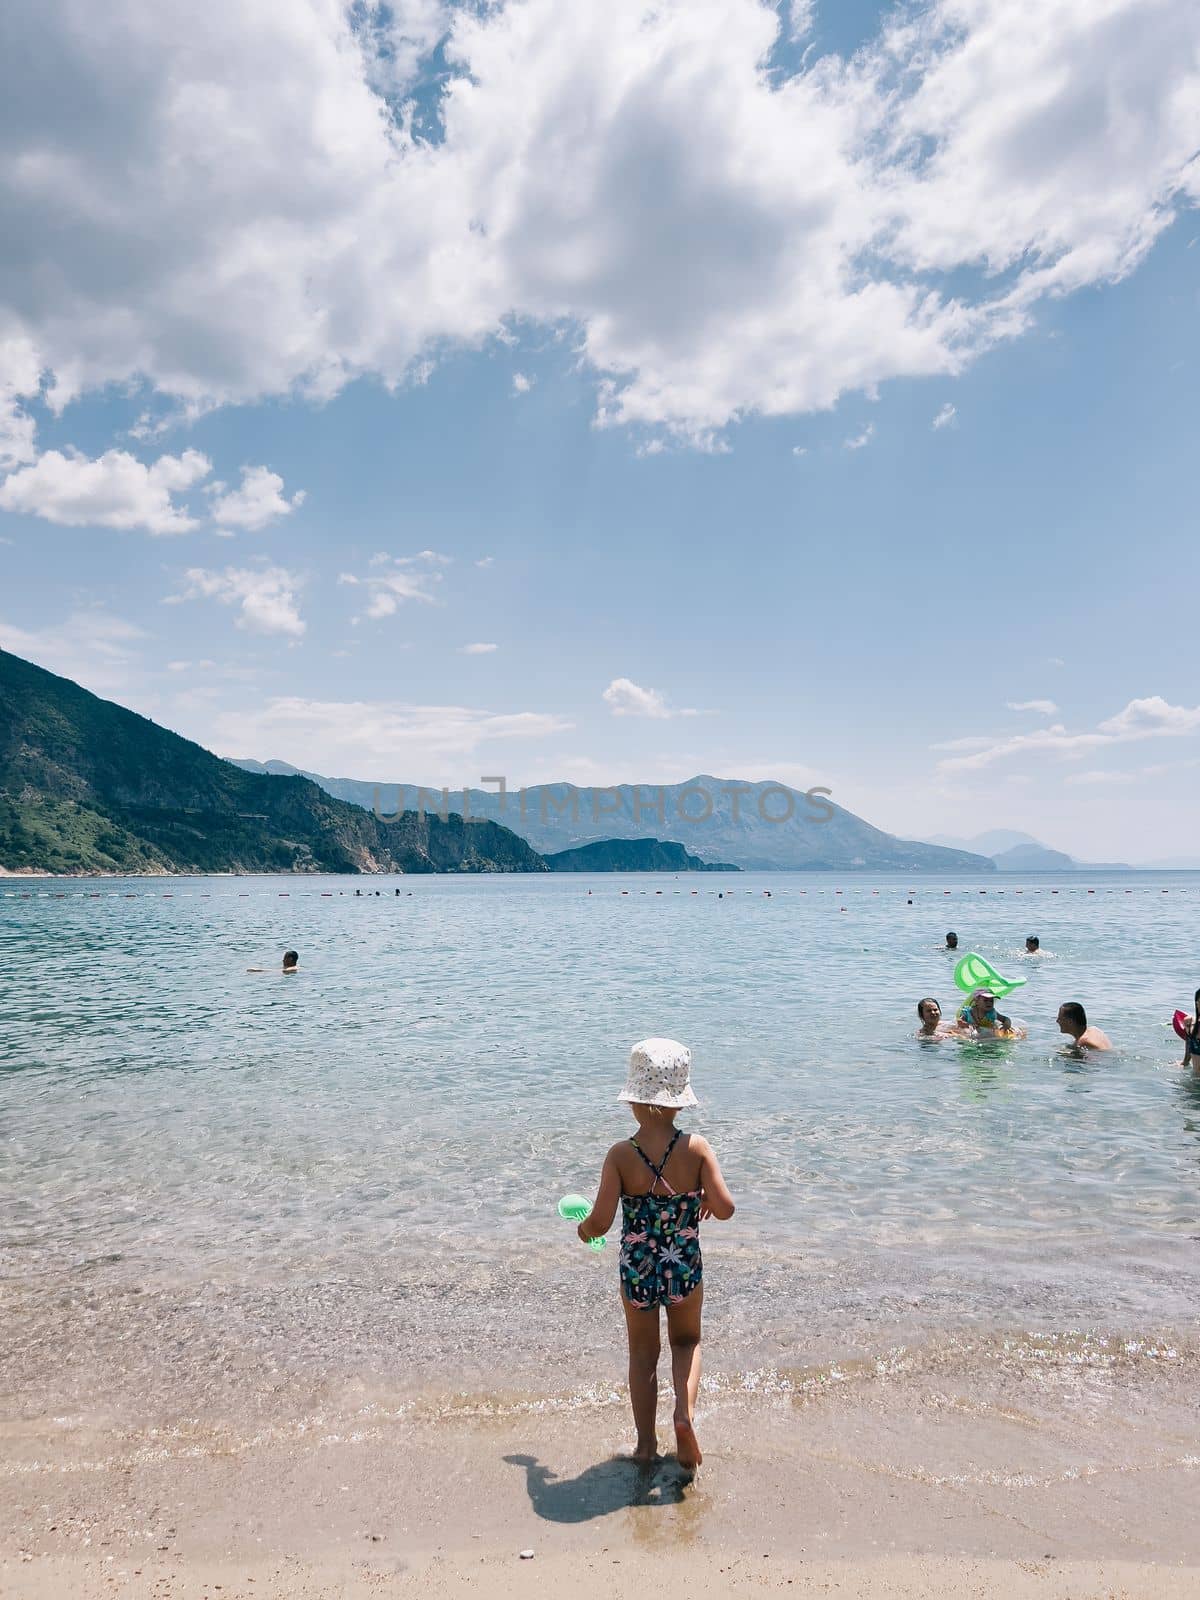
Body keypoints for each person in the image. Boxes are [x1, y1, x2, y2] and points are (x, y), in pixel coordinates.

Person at [576, 1038, 735, 1471]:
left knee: (643, 1354)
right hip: (682, 1262)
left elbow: (602, 1221)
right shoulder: (697, 1149)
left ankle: (646, 1446)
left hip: (638, 1266)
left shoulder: (621, 1155)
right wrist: (699, 1191)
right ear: (679, 1102)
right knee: (687, 1341)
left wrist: (583, 1229)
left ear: (634, 1101)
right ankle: (683, 1415)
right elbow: (725, 1209)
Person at [955, 989, 1025, 1038]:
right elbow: (959, 1021)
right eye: (985, 1000)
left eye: (991, 1001)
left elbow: (1005, 1018)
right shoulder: (968, 1012)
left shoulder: (992, 1013)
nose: (989, 1003)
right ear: (976, 1001)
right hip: (975, 1030)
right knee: (967, 1033)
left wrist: (1007, 1024)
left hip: (987, 1030)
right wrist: (969, 1025)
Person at [1180, 989, 1200, 1073]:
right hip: (1195, 1080)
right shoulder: (1189, 1022)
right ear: (1197, 1003)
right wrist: (1184, 1062)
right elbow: (1189, 1044)